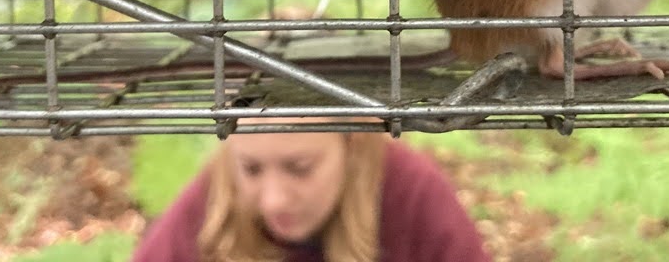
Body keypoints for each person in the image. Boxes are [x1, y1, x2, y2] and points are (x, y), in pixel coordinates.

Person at [130, 119, 492, 262]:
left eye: (299, 168)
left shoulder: (412, 191)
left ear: (350, 144)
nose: (273, 200)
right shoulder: (217, 193)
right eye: (251, 169)